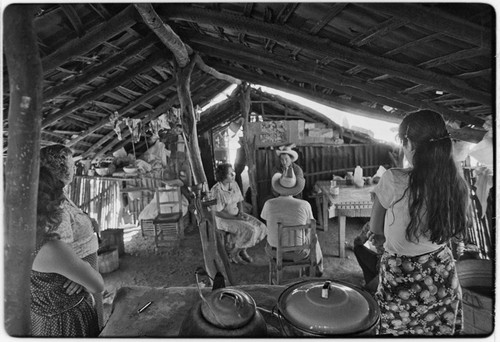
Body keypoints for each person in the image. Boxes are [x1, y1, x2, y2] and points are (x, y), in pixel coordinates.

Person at [369, 110, 469, 336]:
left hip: (400, 281)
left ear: (409, 143)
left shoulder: (394, 179)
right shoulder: (454, 180)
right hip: (442, 276)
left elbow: (375, 229)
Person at [31, 166, 104, 336]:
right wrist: (81, 269)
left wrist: (71, 271)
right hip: (67, 324)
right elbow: (97, 285)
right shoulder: (49, 248)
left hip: (41, 321)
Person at [261, 168, 324, 276]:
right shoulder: (304, 205)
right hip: (298, 254)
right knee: (313, 236)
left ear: (277, 187)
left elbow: (266, 220)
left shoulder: (269, 204)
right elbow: (310, 226)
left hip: (274, 252)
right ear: (296, 189)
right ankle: (317, 268)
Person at [210, 163, 267, 264]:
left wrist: (241, 213)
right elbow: (217, 213)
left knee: (261, 227)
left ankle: (242, 250)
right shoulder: (216, 190)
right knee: (250, 230)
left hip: (236, 214)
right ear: (223, 176)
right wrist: (236, 219)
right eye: (230, 173)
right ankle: (234, 254)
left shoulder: (234, 184)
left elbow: (240, 200)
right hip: (223, 219)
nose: (233, 175)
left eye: (233, 173)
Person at [352, 221, 383, 293]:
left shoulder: (377, 221)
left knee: (357, 248)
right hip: (399, 266)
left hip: (386, 267)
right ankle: (372, 285)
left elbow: (358, 241)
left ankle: (371, 287)